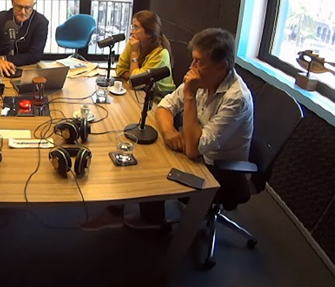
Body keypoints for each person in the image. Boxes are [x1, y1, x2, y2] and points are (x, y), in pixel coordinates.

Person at [82, 27, 253, 231]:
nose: (192, 67)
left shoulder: (236, 98)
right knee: (141, 149)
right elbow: (164, 106)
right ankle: (118, 211)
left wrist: (189, 96)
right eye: (193, 59)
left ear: (221, 67)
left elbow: (193, 150)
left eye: (199, 61)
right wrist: (170, 131)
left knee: (149, 166)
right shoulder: (205, 78)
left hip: (218, 170)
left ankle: (154, 222)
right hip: (196, 149)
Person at [115, 10, 175, 97]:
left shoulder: (161, 54)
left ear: (149, 33)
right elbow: (120, 69)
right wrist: (134, 78)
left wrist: (134, 53)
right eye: (132, 26)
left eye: (136, 27)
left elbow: (135, 83)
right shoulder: (134, 43)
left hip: (157, 99)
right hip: (140, 93)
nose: (132, 31)